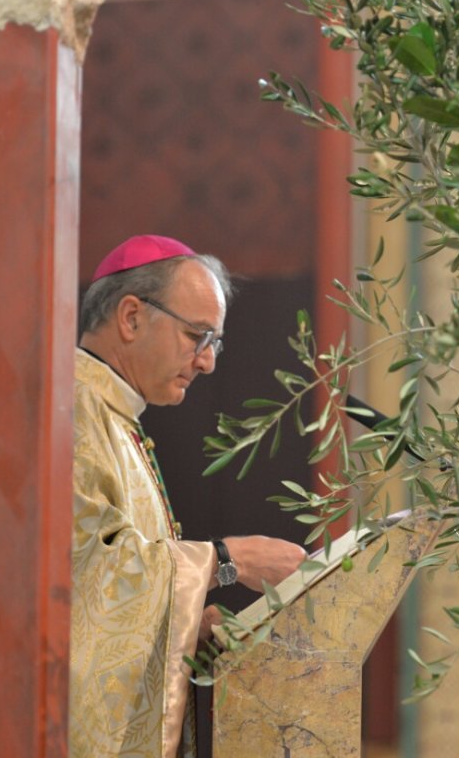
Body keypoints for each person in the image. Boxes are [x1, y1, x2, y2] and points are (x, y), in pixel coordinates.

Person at [70, 234, 306, 757]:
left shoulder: (114, 415)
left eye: (214, 343)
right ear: (131, 317)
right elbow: (85, 575)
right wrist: (226, 561)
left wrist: (182, 625)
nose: (207, 363)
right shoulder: (74, 409)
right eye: (198, 336)